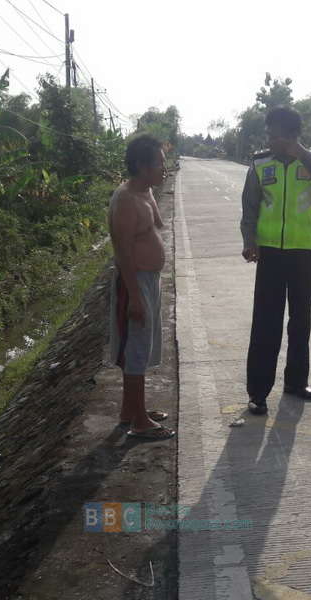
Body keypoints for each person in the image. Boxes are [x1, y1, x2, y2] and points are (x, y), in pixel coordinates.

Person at [241, 106, 311, 415]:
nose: (271, 140)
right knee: (266, 322)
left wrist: (302, 154)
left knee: (300, 320)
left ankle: (297, 383)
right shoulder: (260, 164)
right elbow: (250, 206)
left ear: (292, 136)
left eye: (276, 136)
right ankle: (258, 392)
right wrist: (249, 241)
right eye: (269, 135)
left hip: (303, 252)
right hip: (269, 253)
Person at [108, 134, 175, 440]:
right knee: (136, 349)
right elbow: (122, 252)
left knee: (143, 347)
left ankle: (131, 410)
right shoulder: (125, 200)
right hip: (134, 282)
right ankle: (139, 422)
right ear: (141, 166)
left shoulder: (145, 191)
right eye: (159, 163)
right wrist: (134, 297)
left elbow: (155, 226)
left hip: (150, 279)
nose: (165, 168)